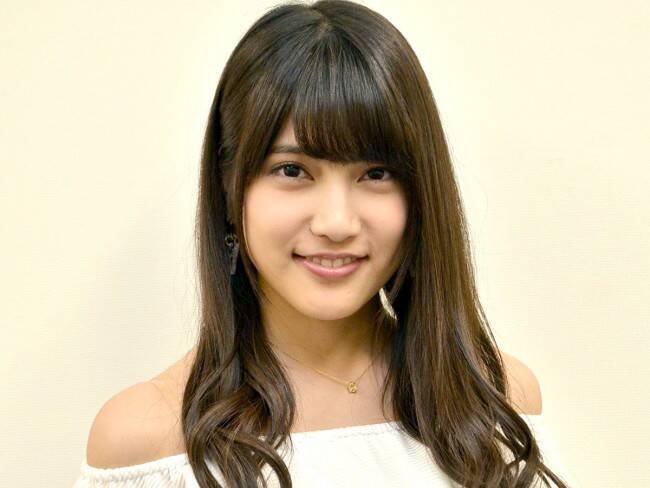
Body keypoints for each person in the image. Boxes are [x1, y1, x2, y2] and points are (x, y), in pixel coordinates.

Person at [73, 1, 577, 486]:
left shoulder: (496, 402)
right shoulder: (149, 443)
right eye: (292, 170)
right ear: (230, 191)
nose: (336, 223)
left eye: (375, 173)